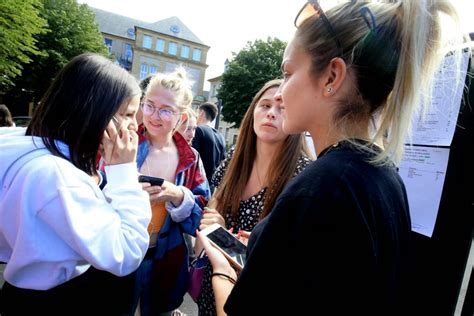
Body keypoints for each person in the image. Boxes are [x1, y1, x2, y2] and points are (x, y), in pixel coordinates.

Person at [197, 1, 469, 315]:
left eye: (288, 73)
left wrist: (221, 268)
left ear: (331, 77)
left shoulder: (318, 189)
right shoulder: (384, 176)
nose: (281, 93)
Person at [0, 53, 151, 315]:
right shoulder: (58, 177)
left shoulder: (19, 141)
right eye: (127, 114)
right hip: (58, 299)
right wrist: (124, 172)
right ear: (93, 112)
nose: (134, 127)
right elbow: (127, 251)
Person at [196, 79, 312, 315]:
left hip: (255, 300)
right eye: (265, 105)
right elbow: (209, 218)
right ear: (253, 112)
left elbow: (286, 265)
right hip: (214, 288)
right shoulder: (234, 158)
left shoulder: (304, 176)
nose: (271, 114)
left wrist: (222, 237)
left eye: (282, 108)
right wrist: (212, 227)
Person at [131, 68, 210, 315]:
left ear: (181, 117)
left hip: (165, 261)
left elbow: (201, 215)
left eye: (166, 110)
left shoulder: (190, 159)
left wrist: (178, 195)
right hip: (119, 257)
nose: (155, 116)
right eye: (149, 105)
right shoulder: (125, 144)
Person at [192, 102, 226, 192]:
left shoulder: (198, 130)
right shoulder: (220, 136)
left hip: (197, 183)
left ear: (201, 113)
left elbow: (191, 157)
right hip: (211, 186)